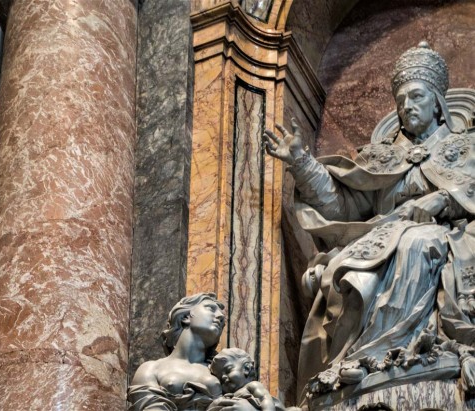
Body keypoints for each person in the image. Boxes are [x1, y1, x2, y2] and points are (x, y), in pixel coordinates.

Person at [263, 41, 475, 400]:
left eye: (417, 97)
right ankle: (365, 362)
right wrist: (301, 162)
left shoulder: (467, 149)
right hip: (382, 237)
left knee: (419, 242)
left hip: (449, 236)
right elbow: (342, 207)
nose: (407, 106)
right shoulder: (382, 158)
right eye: (402, 100)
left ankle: (408, 354)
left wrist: (446, 199)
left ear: (438, 103)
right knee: (349, 274)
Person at [128, 293, 261, 410]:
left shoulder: (225, 372)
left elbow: (263, 400)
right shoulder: (151, 369)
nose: (220, 316)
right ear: (185, 316)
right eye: (210, 308)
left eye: (223, 317)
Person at [208, 348, 275, 411]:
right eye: (220, 379)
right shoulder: (227, 396)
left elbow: (264, 398)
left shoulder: (252, 386)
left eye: (228, 370)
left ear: (246, 368)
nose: (223, 377)